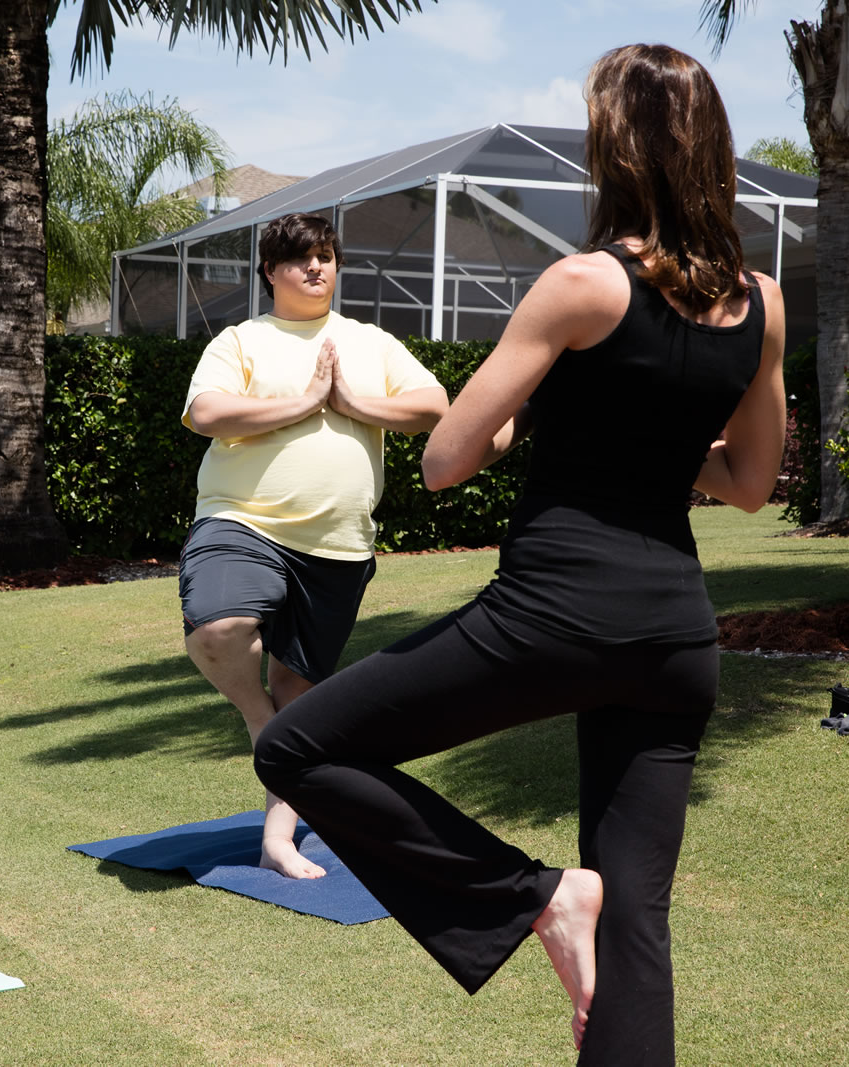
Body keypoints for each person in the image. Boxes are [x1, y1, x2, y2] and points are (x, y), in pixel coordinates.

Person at [254, 43, 787, 1064]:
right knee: (635, 923)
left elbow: (449, 458)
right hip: (674, 637)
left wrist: (525, 417)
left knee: (295, 747)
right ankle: (569, 905)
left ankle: (535, 893)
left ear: (614, 148)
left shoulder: (581, 284)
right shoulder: (757, 303)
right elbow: (749, 481)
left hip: (553, 613)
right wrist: (643, 441)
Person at [180, 212, 449, 879]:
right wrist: (303, 403)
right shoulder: (244, 339)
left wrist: (353, 400)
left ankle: (279, 838)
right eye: (301, 259)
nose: (317, 268)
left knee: (299, 686)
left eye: (326, 256)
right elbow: (205, 412)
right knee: (219, 627)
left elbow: (433, 405)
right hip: (242, 521)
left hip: (337, 546)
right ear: (271, 271)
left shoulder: (367, 341)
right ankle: (256, 720)